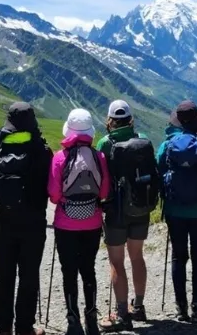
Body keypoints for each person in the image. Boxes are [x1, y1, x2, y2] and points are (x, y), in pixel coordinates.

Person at [0, 102, 53, 335]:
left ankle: (4, 327)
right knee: (28, 276)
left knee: (5, 276)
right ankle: (24, 327)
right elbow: (50, 185)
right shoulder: (41, 149)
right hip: (33, 222)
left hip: (5, 221)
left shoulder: (0, 144)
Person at [96, 100, 159, 332]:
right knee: (137, 256)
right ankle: (139, 306)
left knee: (116, 261)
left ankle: (122, 314)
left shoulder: (105, 143)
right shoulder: (143, 139)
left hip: (116, 211)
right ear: (130, 119)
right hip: (141, 207)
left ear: (110, 120)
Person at [157, 101, 197, 324]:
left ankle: (181, 308)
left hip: (175, 209)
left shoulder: (167, 145)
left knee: (178, 256)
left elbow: (159, 172)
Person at [48, 109, 110, 335]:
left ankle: (73, 319)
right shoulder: (98, 156)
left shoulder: (59, 157)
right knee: (88, 269)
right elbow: (104, 191)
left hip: (66, 223)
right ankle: (91, 317)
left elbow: (54, 194)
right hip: (92, 222)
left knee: (69, 271)